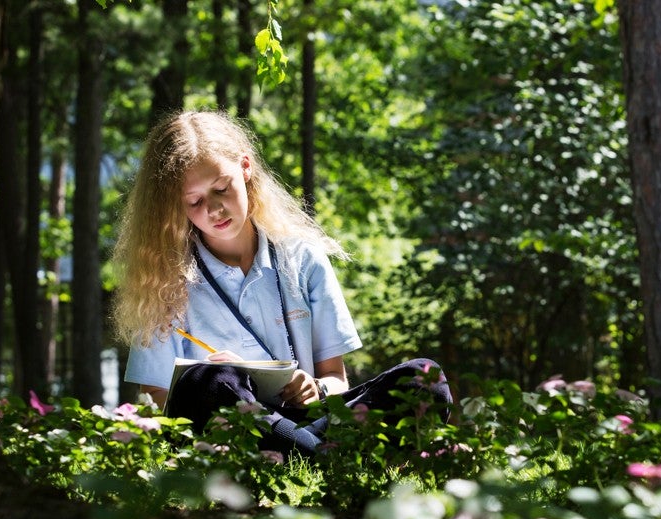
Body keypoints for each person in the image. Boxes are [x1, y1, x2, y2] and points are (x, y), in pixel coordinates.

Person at [112, 110, 451, 456]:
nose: (214, 209)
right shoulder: (164, 279)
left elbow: (336, 378)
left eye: (221, 188)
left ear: (245, 168)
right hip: (234, 434)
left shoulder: (302, 257)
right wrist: (226, 381)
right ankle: (325, 460)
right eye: (195, 201)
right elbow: (157, 403)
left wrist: (316, 389)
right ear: (175, 206)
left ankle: (306, 455)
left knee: (425, 378)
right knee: (206, 382)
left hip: (309, 421)